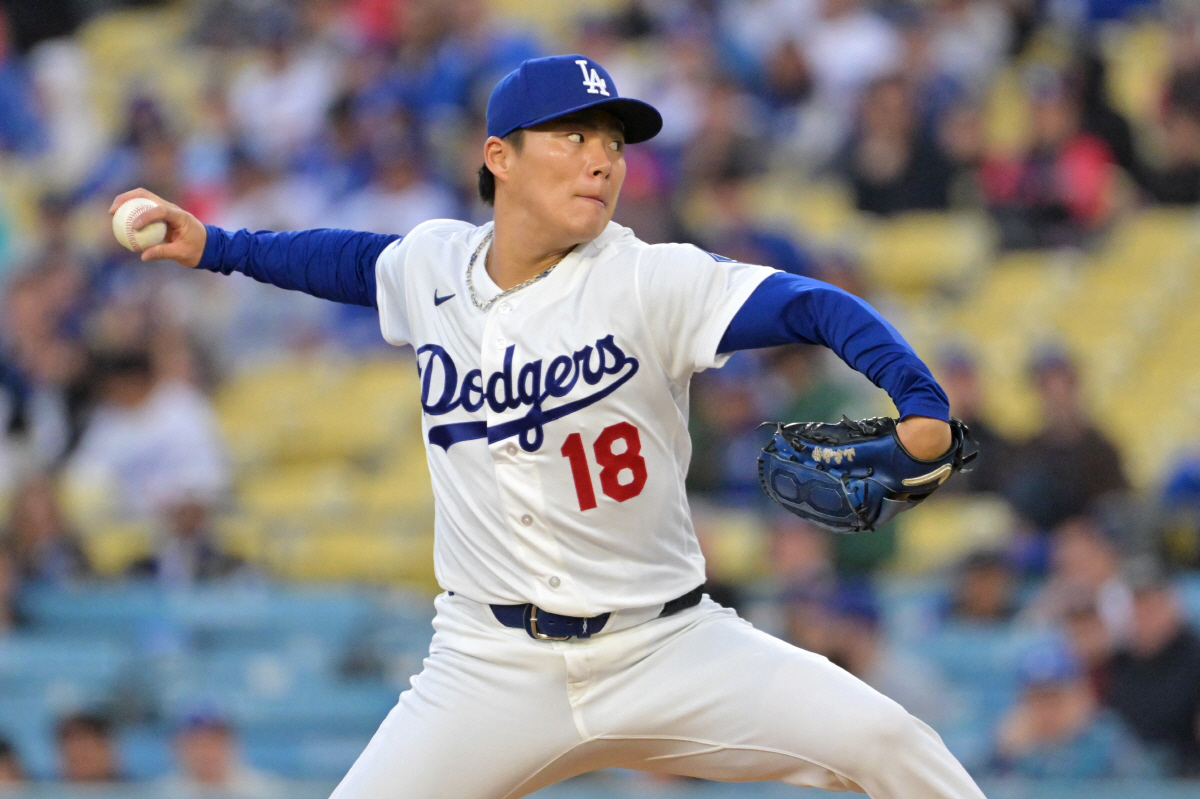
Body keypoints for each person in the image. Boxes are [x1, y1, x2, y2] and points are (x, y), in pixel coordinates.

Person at [111, 54, 984, 798]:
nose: (602, 160)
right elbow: (340, 260)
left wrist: (920, 403)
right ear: (501, 156)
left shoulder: (647, 278)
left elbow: (812, 304)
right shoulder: (432, 265)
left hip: (667, 646)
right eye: (574, 136)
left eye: (613, 142)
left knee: (892, 744)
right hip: (487, 667)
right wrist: (216, 244)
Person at [1105, 559, 1200, 776]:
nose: (1144, 613)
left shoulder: (1194, 654)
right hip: (1125, 771)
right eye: (1137, 603)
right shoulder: (1117, 659)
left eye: (1152, 602)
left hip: (1186, 773)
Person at [159, 709, 283, 799]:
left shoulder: (265, 791)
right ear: (177, 748)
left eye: (214, 743)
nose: (206, 753)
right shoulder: (162, 793)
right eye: (197, 744)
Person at [55, 713, 122, 783]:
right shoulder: (49, 790)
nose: (77, 753)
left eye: (85, 749)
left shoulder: (131, 790)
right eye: (73, 759)